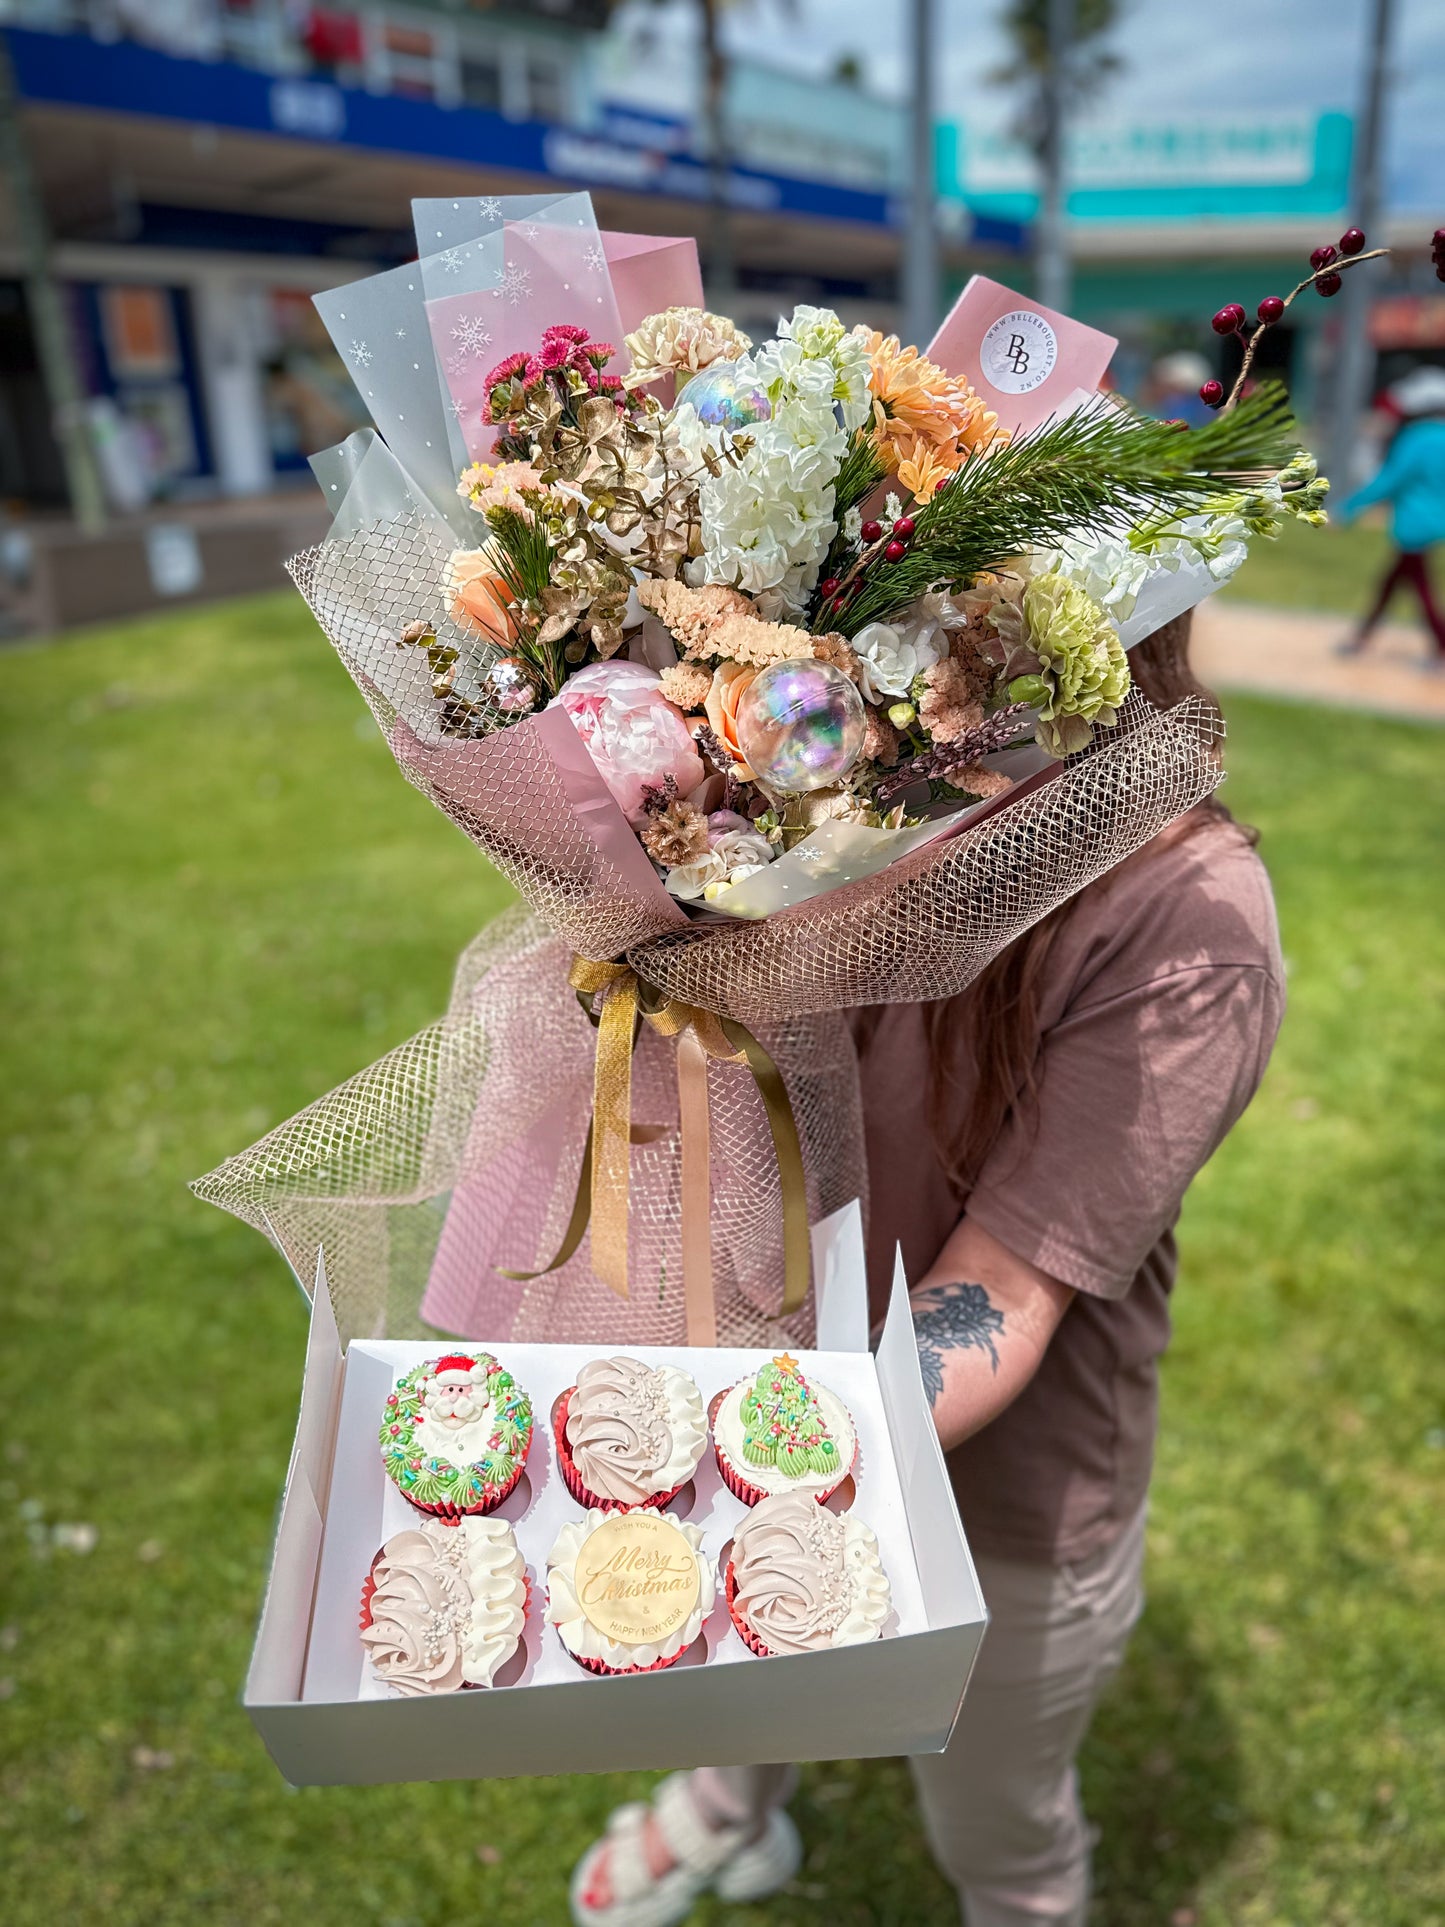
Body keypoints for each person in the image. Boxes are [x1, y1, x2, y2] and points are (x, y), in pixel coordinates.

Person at [569, 611, 1286, 1927]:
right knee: (745, 1667)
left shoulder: (1182, 905)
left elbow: (1004, 1292)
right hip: (763, 1370)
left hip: (1000, 1503)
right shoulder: (808, 771)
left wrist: (736, 1453)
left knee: (995, 1816)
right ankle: (732, 1808)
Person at [1336, 365, 1445, 661]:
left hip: (1415, 522)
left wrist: (1347, 509)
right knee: (1393, 581)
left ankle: (1441, 645)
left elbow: (1389, 480)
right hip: (1436, 520)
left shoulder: (1417, 437)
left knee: (1419, 585)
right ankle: (1361, 638)